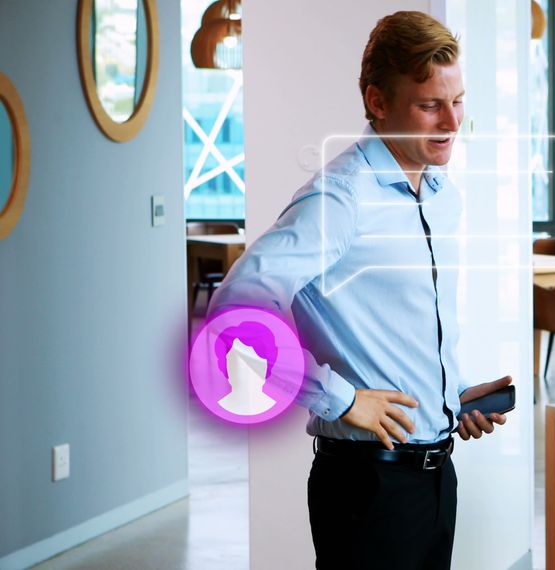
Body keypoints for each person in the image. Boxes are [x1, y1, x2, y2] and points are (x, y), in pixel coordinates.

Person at [207, 11, 511, 569]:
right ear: (377, 101)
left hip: (436, 479)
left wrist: (450, 394)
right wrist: (340, 399)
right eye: (430, 105)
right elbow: (233, 316)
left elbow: (396, 327)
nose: (451, 121)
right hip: (367, 488)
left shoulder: (442, 195)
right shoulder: (339, 199)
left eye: (458, 101)